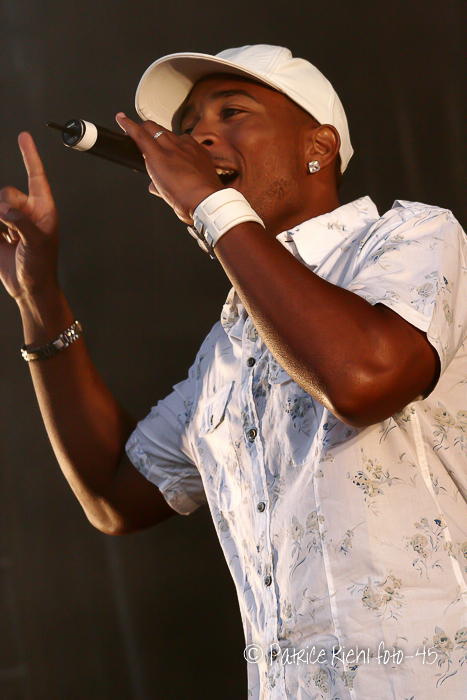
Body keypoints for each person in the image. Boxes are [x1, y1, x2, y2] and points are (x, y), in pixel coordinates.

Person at [1, 43, 466, 699]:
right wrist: (39, 299)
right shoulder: (227, 350)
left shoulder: (411, 238)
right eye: (187, 126)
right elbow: (114, 495)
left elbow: (362, 379)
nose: (199, 135)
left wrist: (209, 202)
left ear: (318, 146)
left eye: (232, 112)